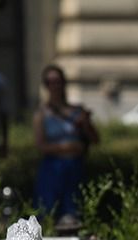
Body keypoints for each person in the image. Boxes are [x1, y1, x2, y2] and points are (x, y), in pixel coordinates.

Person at [33, 64, 98, 219]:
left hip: (75, 167)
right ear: (46, 86)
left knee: (74, 213)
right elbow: (41, 145)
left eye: (58, 81)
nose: (55, 85)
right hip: (52, 169)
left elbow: (95, 139)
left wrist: (85, 124)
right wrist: (67, 147)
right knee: (47, 213)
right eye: (50, 82)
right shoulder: (41, 114)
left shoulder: (77, 110)